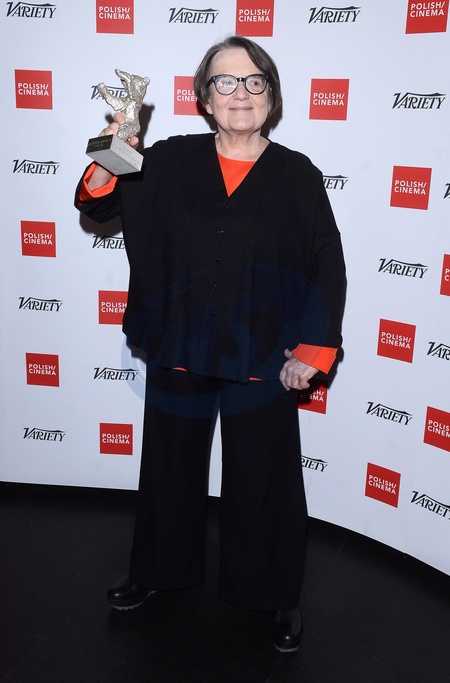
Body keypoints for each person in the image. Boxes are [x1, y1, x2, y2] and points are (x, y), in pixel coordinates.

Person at [75, 35, 346, 653]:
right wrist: (113, 146)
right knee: (168, 468)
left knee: (265, 478)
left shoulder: (298, 175)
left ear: (271, 96)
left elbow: (326, 263)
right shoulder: (169, 159)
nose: (240, 93)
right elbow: (96, 200)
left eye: (254, 81)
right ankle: (155, 570)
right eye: (225, 81)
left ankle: (274, 592)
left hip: (262, 354)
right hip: (180, 343)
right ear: (204, 97)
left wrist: (316, 348)